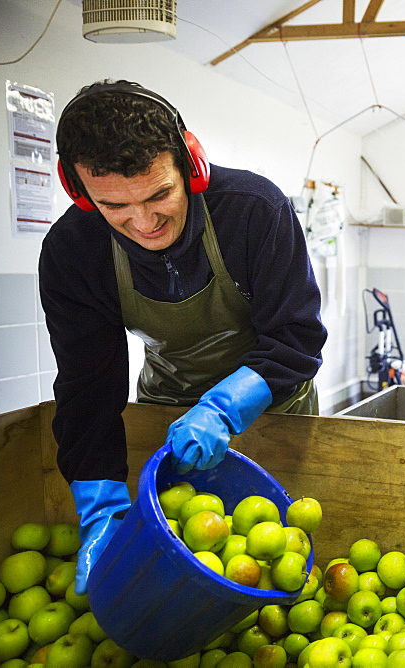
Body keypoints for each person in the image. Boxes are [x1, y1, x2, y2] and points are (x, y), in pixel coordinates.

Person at [40, 80, 328, 595]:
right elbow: (88, 385)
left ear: (191, 165)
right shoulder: (72, 253)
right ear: (81, 194)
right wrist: (100, 505)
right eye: (115, 207)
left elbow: (296, 339)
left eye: (159, 194)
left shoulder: (254, 212)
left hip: (277, 405)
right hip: (168, 410)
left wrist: (223, 408)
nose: (144, 222)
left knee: (279, 561)